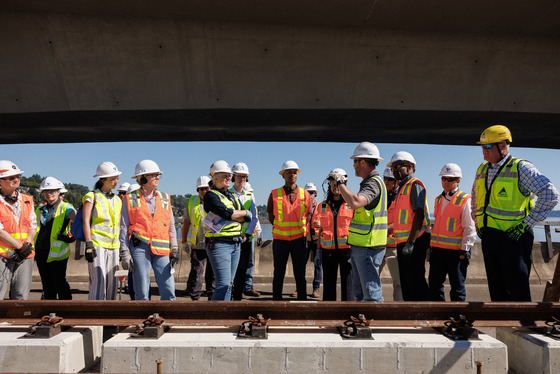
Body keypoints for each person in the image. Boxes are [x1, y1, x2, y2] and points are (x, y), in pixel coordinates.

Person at [472, 125, 559, 301]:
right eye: (482, 146)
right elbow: (475, 199)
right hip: (489, 237)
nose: (484, 151)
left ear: (503, 146)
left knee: (517, 291)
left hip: (514, 237)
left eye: (488, 146)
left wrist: (525, 225)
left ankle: (522, 326)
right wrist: (477, 223)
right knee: (497, 293)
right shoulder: (482, 169)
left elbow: (550, 195)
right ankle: (503, 327)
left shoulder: (521, 168)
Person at [332, 142, 387, 302]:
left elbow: (356, 202)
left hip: (368, 246)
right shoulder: (370, 183)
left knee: (371, 296)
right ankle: (365, 323)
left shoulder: (373, 183)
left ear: (363, 162)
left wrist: (340, 183)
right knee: (362, 294)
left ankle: (374, 323)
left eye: (355, 161)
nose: (354, 165)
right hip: (362, 246)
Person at [119, 160, 178, 301]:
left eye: (158, 175)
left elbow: (171, 224)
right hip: (140, 246)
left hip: (162, 247)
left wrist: (174, 246)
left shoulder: (165, 198)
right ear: (143, 178)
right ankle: (143, 316)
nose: (157, 178)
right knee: (142, 286)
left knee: (168, 286)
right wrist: (125, 252)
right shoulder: (130, 198)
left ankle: (169, 316)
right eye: (154, 175)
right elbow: (123, 226)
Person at [203, 160, 251, 300]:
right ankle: (214, 317)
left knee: (229, 284)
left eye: (229, 175)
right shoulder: (211, 196)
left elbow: (246, 217)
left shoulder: (230, 196)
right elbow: (227, 213)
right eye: (224, 175)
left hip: (235, 243)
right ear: (215, 177)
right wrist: (241, 213)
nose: (228, 178)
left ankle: (224, 313)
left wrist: (240, 214)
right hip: (219, 244)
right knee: (223, 284)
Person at [387, 151, 431, 301]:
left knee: (416, 280)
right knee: (406, 282)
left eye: (399, 166)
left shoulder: (414, 185)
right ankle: (411, 315)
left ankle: (426, 314)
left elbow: (419, 214)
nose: (395, 170)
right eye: (393, 167)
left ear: (411, 167)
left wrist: (411, 242)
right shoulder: (401, 188)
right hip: (403, 242)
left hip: (415, 241)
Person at [429, 163, 476, 301]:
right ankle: (439, 315)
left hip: (456, 253)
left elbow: (469, 227)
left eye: (450, 179)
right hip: (437, 251)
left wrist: (465, 249)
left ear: (458, 180)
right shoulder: (438, 199)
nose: (446, 182)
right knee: (435, 286)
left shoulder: (464, 200)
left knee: (457, 287)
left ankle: (457, 317)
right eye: (444, 178)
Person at [267, 160, 311, 300]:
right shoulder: (274, 194)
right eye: (289, 172)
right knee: (278, 272)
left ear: (297, 175)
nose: (292, 175)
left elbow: (308, 215)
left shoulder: (305, 194)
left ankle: (302, 300)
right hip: (280, 241)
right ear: (283, 175)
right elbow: (270, 216)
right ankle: (276, 301)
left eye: (294, 172)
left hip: (299, 240)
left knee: (300, 273)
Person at [83, 161, 123, 300]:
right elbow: (86, 221)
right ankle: (95, 316)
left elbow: (119, 224)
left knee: (113, 284)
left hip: (114, 246)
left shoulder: (117, 199)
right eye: (112, 179)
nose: (116, 181)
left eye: (117, 178)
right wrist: (89, 244)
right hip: (97, 244)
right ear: (102, 180)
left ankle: (110, 316)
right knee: (99, 283)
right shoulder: (91, 196)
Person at [314, 168, 354, 301]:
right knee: (328, 284)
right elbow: (319, 230)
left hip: (347, 251)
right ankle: (329, 312)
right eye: (333, 184)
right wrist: (318, 251)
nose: (336, 187)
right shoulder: (322, 206)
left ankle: (348, 311)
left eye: (338, 184)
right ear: (329, 185)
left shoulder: (352, 204)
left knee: (348, 284)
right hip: (328, 252)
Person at [34, 177, 76, 300]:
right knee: (47, 285)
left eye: (52, 191)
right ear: (42, 193)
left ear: (59, 192)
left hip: (58, 253)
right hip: (41, 250)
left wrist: (73, 236)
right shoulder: (40, 209)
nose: (49, 193)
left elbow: (78, 220)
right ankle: (50, 313)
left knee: (60, 283)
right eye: (46, 191)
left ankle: (66, 310)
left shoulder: (65, 207)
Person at [0, 160, 36, 300]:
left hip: (25, 254)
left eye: (18, 176)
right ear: (0, 181)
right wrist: (20, 247)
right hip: (3, 254)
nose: (16, 180)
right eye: (11, 177)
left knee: (21, 295)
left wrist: (26, 245)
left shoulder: (27, 200)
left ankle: (18, 321)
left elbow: (32, 225)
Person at [229, 162, 260, 300]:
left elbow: (253, 217)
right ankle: (227, 297)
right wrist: (242, 216)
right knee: (230, 271)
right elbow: (227, 215)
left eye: (244, 177)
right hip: (231, 236)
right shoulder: (227, 194)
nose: (242, 179)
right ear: (233, 177)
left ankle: (238, 297)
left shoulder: (249, 195)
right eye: (239, 176)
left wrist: (247, 234)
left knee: (242, 269)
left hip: (246, 238)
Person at [183, 175, 215, 301]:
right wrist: (184, 241)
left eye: (206, 188)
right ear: (197, 190)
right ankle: (195, 298)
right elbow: (186, 222)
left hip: (212, 242)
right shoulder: (192, 201)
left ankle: (212, 296)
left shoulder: (215, 201)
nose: (204, 191)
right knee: (197, 272)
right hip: (198, 244)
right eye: (201, 189)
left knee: (212, 273)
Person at [379, 167, 403, 301]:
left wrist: (387, 228)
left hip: (393, 245)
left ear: (396, 181)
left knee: (398, 282)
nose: (387, 181)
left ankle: (399, 308)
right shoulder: (380, 197)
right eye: (385, 179)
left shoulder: (400, 198)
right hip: (378, 244)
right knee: (373, 278)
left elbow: (402, 221)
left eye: (390, 179)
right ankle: (373, 306)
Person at [303, 182, 322, 298]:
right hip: (304, 239)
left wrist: (321, 224)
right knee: (300, 265)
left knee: (318, 265)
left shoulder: (320, 207)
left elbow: (327, 221)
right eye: (308, 192)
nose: (310, 195)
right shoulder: (301, 207)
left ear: (315, 194)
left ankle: (316, 288)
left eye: (312, 193)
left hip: (316, 240)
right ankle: (299, 287)